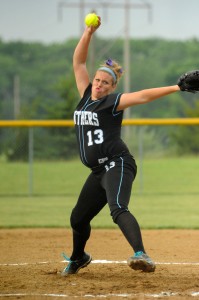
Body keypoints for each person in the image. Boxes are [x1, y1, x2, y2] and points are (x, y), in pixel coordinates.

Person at [61, 16, 180, 276]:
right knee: (78, 218)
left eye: (105, 82)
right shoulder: (85, 97)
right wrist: (88, 33)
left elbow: (143, 96)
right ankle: (79, 256)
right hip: (97, 171)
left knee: (117, 208)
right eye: (97, 80)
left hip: (118, 163)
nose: (99, 84)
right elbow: (78, 61)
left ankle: (141, 254)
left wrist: (177, 86)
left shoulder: (112, 102)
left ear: (113, 87)